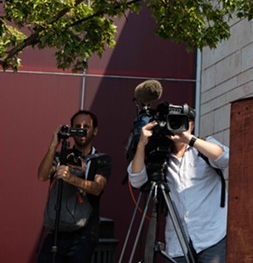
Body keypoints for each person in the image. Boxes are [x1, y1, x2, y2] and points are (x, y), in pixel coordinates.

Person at [127, 108, 228, 263]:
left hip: (212, 236)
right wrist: (142, 144)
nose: (175, 127)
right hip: (177, 241)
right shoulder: (160, 156)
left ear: (192, 125)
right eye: (171, 122)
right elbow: (136, 180)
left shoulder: (202, 148)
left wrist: (190, 139)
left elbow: (224, 158)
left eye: (180, 122)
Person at [37, 111, 112, 263]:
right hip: (57, 231)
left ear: (95, 130)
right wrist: (54, 145)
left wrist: (71, 178)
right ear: (71, 130)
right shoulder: (62, 156)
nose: (82, 130)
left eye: (86, 127)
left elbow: (98, 188)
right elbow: (42, 176)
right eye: (77, 127)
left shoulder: (102, 159)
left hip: (84, 233)